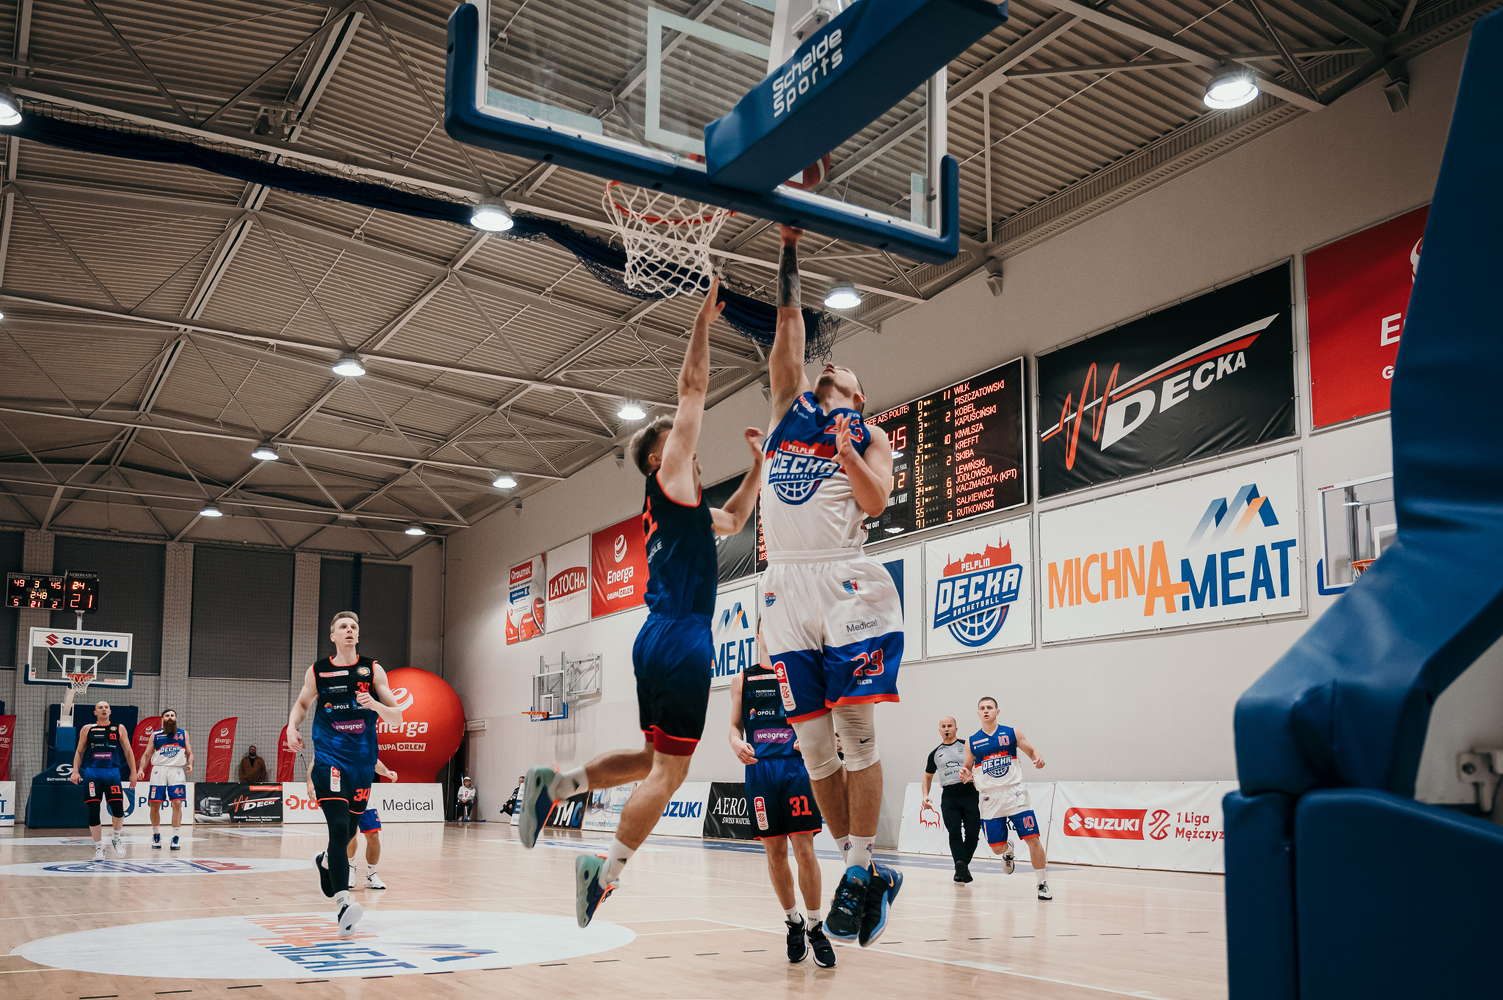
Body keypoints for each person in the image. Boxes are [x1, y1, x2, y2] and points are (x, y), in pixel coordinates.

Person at [518, 276, 763, 928]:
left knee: (654, 760)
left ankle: (558, 786)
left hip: (656, 635)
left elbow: (736, 519)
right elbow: (691, 390)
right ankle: (605, 875)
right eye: (678, 439)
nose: (690, 444)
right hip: (681, 637)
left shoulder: (682, 510)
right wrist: (702, 324)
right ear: (661, 455)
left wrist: (758, 465)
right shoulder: (670, 475)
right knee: (671, 775)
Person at [759, 224, 903, 947]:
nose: (831, 365)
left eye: (844, 370)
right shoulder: (787, 412)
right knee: (815, 749)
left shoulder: (870, 435)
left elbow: (876, 502)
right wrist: (788, 247)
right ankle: (863, 869)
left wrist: (848, 454)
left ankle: (859, 865)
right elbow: (789, 328)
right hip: (785, 586)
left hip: (846, 581)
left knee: (856, 734)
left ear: (859, 395)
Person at [286, 611, 405, 936]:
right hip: (329, 760)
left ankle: (326, 861)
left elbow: (397, 717)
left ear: (358, 635)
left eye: (354, 626)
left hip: (362, 765)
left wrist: (374, 705)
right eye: (343, 627)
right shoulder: (318, 671)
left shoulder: (372, 670)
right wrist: (292, 727)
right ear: (333, 636)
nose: (349, 630)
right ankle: (343, 906)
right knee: (339, 828)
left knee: (349, 831)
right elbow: (302, 704)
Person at [729, 630, 835, 968]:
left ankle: (816, 926)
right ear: (759, 634)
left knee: (804, 850)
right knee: (775, 853)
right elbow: (734, 727)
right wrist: (736, 743)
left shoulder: (799, 672)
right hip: (760, 772)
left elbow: (824, 716)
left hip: (796, 769)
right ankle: (793, 921)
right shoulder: (743, 679)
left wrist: (813, 738)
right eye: (768, 627)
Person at [963, 696, 1051, 900]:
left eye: (990, 707)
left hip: (1015, 793)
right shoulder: (972, 741)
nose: (986, 711)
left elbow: (1032, 751)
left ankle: (1042, 883)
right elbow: (966, 768)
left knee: (1032, 838)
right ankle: (1008, 849)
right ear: (978, 713)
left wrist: (1037, 757)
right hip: (989, 798)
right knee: (996, 848)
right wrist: (965, 775)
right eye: (982, 708)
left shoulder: (1012, 733)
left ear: (997, 711)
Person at [310, 757, 396, 889]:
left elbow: (373, 760)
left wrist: (386, 771)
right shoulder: (332, 746)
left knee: (373, 834)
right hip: (342, 792)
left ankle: (372, 875)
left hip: (362, 792)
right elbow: (316, 761)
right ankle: (350, 871)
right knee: (350, 833)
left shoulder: (362, 746)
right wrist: (310, 782)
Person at [69, 700, 138, 861]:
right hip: (92, 773)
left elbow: (128, 751)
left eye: (106, 707)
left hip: (112, 773)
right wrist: (75, 771)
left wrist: (133, 772)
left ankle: (116, 838)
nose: (104, 709)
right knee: (93, 810)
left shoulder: (119, 728)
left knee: (118, 808)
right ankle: (98, 847)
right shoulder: (87, 729)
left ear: (110, 711)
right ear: (95, 712)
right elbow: (79, 752)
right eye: (100, 707)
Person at [923, 716, 979, 883]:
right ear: (939, 730)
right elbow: (927, 777)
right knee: (954, 831)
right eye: (943, 726)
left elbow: (980, 766)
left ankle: (961, 867)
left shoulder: (967, 746)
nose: (946, 729)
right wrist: (925, 796)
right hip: (949, 795)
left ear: (956, 729)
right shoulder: (935, 754)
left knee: (973, 833)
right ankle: (961, 865)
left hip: (970, 792)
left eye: (949, 726)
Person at [141, 708, 193, 851]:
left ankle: (176, 837)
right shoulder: (155, 735)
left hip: (176, 770)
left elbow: (189, 753)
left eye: (172, 715)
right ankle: (156, 834)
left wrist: (190, 763)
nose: (170, 717)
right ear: (162, 719)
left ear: (176, 718)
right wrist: (140, 769)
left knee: (177, 803)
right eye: (167, 715)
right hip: (159, 770)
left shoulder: (183, 734)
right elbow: (146, 755)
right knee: (154, 805)